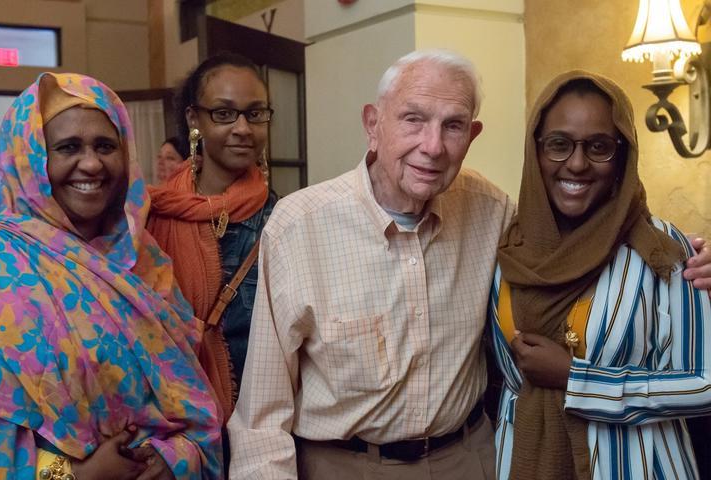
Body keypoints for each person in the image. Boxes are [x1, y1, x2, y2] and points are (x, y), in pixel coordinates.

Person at [228, 50, 711, 480]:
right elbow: (261, 416)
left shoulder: (492, 212)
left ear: (472, 134)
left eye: (453, 125)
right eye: (413, 119)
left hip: (471, 459)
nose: (433, 146)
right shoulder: (299, 226)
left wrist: (700, 260)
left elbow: (592, 235)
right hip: (344, 463)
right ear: (373, 123)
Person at [0, 72, 222, 479]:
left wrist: (177, 458)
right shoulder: (0, 265)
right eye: (67, 147)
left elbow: (194, 409)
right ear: (28, 158)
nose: (92, 163)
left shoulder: (145, 262)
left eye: (105, 146)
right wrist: (78, 474)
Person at [490, 72, 711, 479]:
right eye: (558, 145)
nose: (576, 163)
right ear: (535, 151)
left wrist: (579, 380)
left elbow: (704, 383)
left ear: (622, 156)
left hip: (634, 466)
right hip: (521, 460)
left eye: (599, 147)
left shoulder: (662, 251)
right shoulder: (510, 247)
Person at [147, 53, 277, 425]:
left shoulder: (284, 222)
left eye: (255, 113)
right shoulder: (152, 216)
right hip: (168, 426)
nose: (242, 128)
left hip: (258, 427)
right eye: (224, 113)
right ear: (194, 120)